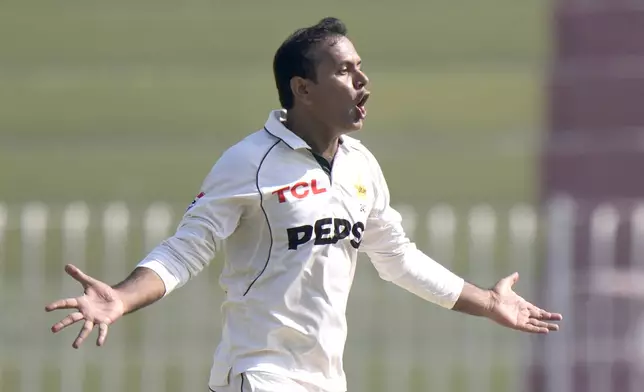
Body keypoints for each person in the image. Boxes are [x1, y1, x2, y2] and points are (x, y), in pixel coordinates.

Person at [44, 16, 563, 392]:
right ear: (303, 88)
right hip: (260, 374)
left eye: (361, 67)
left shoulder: (361, 165)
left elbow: (397, 258)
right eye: (343, 70)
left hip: (326, 380)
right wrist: (121, 297)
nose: (362, 81)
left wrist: (488, 303)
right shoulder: (249, 161)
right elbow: (187, 249)